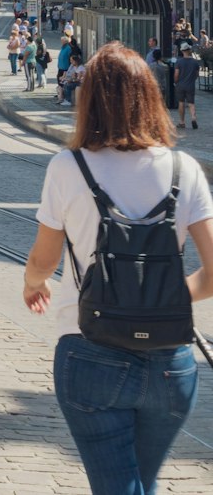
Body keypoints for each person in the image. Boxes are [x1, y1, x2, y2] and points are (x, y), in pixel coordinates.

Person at [22, 42, 213, 495]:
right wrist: (163, 296)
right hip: (171, 362)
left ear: (89, 102)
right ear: (151, 96)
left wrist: (32, 284)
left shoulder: (68, 167)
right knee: (136, 485)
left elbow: (43, 260)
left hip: (90, 351)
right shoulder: (184, 169)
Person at [174, 44, 200, 131]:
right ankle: (193, 118)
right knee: (191, 103)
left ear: (182, 51)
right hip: (190, 85)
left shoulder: (179, 62)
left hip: (181, 85)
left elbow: (176, 74)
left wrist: (176, 81)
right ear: (190, 50)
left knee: (181, 102)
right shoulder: (195, 62)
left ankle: (182, 122)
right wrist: (192, 80)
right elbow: (197, 74)